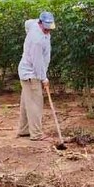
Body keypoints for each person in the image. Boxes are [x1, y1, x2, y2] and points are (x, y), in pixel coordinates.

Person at [16, 11, 56, 141]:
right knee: (35, 104)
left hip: (27, 72)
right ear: (40, 24)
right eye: (46, 28)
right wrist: (44, 79)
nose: (48, 31)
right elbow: (37, 63)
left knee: (27, 102)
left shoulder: (33, 24)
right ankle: (36, 134)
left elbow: (26, 22)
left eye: (50, 28)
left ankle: (24, 130)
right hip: (31, 73)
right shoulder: (37, 40)